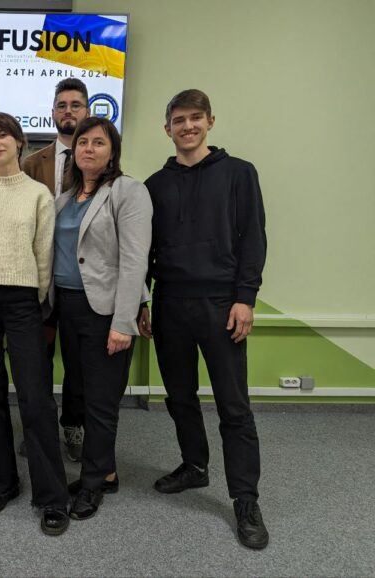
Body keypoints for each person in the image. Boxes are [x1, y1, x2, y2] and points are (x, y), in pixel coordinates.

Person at [140, 89, 269, 549]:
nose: (188, 126)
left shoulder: (239, 173)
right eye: (179, 120)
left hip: (221, 303)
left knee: (234, 407)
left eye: (196, 118)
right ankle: (195, 466)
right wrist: (142, 301)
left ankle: (245, 499)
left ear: (210, 121)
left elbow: (253, 238)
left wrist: (245, 298)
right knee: (180, 397)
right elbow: (144, 250)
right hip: (170, 303)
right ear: (167, 128)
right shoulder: (154, 184)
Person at [0, 112, 70, 536]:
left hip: (24, 300)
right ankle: (1, 481)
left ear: (19, 140)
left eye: (2, 134)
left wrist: (34, 297)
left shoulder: (38, 194)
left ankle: (52, 496)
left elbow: (44, 253)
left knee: (35, 398)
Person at [51, 117, 152, 520]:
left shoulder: (128, 192)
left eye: (98, 142)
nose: (89, 149)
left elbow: (134, 261)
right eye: (82, 142)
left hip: (106, 312)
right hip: (69, 308)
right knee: (80, 394)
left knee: (101, 402)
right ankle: (105, 472)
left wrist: (123, 322)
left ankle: (93, 484)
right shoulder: (65, 198)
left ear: (112, 152)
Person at [22, 78, 91, 461]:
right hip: (39, 278)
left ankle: (73, 424)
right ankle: (40, 427)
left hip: (80, 280)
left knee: (78, 361)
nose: (68, 111)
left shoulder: (100, 162)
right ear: (52, 113)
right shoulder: (32, 163)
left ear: (87, 111)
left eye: (75, 105)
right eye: (62, 105)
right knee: (37, 359)